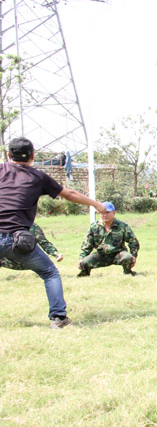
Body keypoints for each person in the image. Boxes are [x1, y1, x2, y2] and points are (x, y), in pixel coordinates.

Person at [0, 137, 106, 329]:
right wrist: (96, 204)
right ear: (32, 156)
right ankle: (58, 319)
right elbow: (69, 194)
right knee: (50, 273)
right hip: (18, 239)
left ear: (8, 155)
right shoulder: (38, 177)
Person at [77, 202, 140, 277]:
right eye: (102, 213)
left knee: (128, 258)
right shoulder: (94, 227)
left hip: (118, 254)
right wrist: (81, 258)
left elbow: (133, 242)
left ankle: (128, 272)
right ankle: (84, 274)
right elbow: (87, 245)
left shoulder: (122, 226)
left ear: (113, 213)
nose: (104, 215)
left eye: (107, 212)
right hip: (101, 255)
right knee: (84, 262)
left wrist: (133, 256)